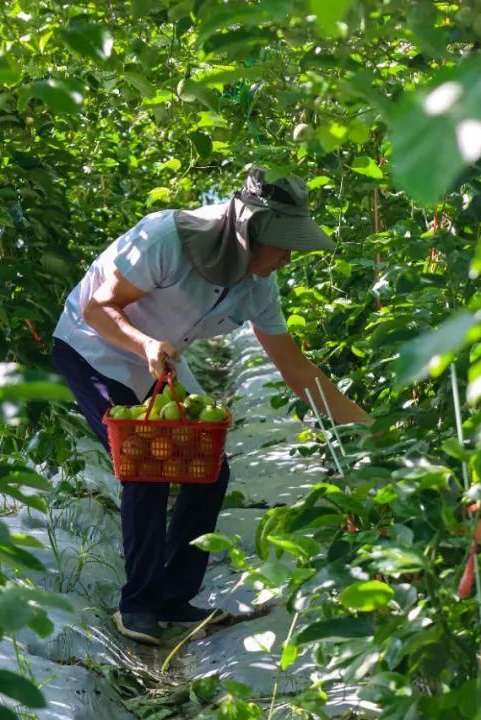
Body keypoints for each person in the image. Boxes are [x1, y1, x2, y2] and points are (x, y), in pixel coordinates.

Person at [51, 166, 370, 645]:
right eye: (282, 244)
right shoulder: (165, 240)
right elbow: (98, 308)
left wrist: (371, 428)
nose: (287, 258)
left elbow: (298, 371)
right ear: (249, 234)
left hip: (159, 362)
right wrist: (145, 344)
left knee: (209, 469)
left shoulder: (258, 286)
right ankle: (137, 605)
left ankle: (173, 597)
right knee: (146, 464)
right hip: (94, 346)